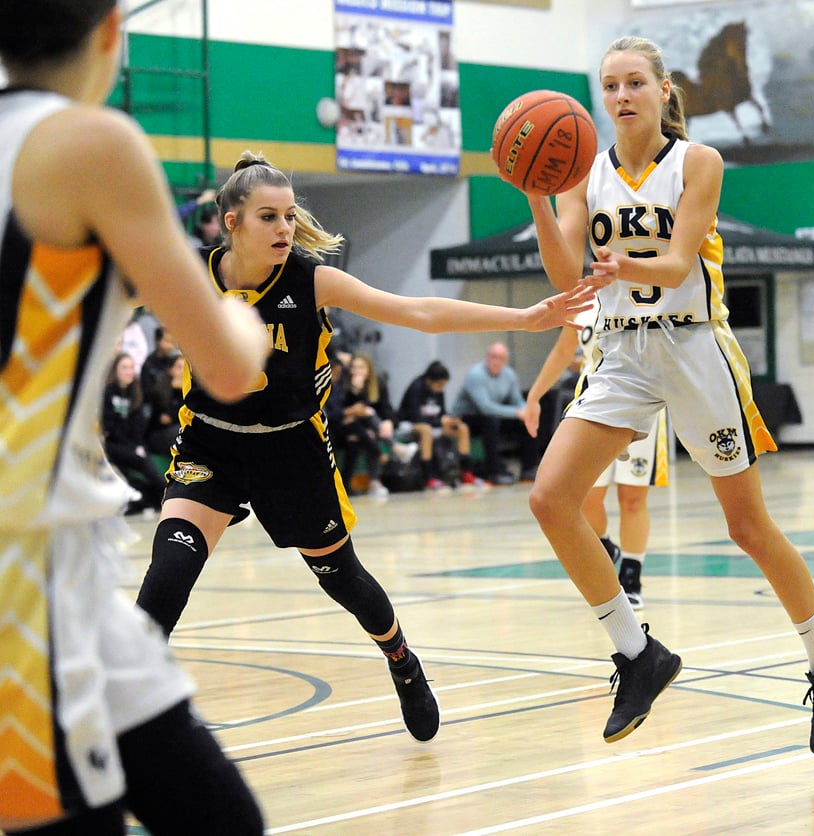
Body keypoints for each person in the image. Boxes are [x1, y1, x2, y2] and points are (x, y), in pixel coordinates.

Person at [133, 150, 593, 748]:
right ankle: (129, 711)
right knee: (169, 571)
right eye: (268, 217)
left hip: (291, 451)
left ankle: (401, 657)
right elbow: (99, 300)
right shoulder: (191, 272)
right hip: (210, 444)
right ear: (231, 221)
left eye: (289, 216)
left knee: (342, 579)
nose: (284, 230)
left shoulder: (311, 279)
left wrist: (527, 317)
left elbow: (419, 311)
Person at [524, 35, 814, 755]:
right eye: (610, 85)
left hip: (693, 347)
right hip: (620, 349)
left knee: (748, 527)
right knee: (550, 499)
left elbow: (679, 262)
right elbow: (565, 279)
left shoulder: (697, 163)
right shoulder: (586, 174)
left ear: (664, 90)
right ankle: (637, 654)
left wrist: (619, 261)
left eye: (634, 83)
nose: (621, 97)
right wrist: (539, 197)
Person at [0, 2, 271, 834]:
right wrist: (247, 320)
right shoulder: (91, 144)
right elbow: (225, 366)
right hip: (19, 584)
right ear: (113, 29)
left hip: (72, 579)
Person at [524, 302, 669, 610]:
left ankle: (632, 576)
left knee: (632, 498)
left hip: (643, 402)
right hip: (593, 405)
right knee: (584, 498)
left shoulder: (646, 297)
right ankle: (604, 545)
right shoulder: (583, 301)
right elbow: (564, 352)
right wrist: (535, 395)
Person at [451, 341, 540, 484]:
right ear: (487, 357)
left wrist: (527, 411)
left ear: (505, 360)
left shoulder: (509, 375)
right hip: (467, 417)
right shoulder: (476, 375)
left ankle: (528, 469)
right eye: (493, 357)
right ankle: (494, 472)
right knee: (491, 421)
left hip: (493, 415)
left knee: (527, 421)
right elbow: (485, 407)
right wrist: (517, 413)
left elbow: (517, 400)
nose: (496, 361)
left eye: (500, 358)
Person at [397, 360, 482, 489]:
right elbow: (416, 418)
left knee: (462, 428)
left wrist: (450, 420)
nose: (441, 388)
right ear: (430, 380)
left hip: (433, 425)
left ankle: (466, 473)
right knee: (426, 430)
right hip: (409, 426)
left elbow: (441, 413)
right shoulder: (416, 387)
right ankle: (429, 477)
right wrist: (440, 421)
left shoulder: (439, 392)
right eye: (440, 384)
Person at [101, 352, 168, 514]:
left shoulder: (135, 393)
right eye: (124, 367)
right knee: (141, 459)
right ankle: (166, 494)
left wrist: (137, 445)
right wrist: (132, 448)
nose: (129, 371)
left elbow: (138, 426)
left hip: (131, 445)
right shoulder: (108, 393)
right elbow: (109, 427)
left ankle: (158, 497)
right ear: (115, 371)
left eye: (131, 367)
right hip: (111, 444)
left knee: (141, 457)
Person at [340, 351, 397, 498]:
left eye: (361, 367)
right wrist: (355, 391)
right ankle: (394, 448)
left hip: (369, 428)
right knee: (362, 434)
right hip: (347, 427)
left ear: (369, 370)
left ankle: (374, 482)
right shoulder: (344, 383)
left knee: (372, 429)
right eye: (354, 367)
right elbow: (344, 409)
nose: (357, 371)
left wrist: (388, 422)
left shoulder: (378, 384)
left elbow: (386, 408)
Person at [146, 352, 186, 457]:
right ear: (170, 370)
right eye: (179, 367)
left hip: (174, 432)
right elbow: (166, 418)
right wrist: (177, 393)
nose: (183, 372)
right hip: (158, 435)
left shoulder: (187, 389)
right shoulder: (161, 389)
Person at [140, 324, 179, 401]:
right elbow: (147, 393)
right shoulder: (149, 364)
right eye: (167, 341)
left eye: (172, 342)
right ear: (157, 341)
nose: (170, 346)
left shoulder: (174, 363)